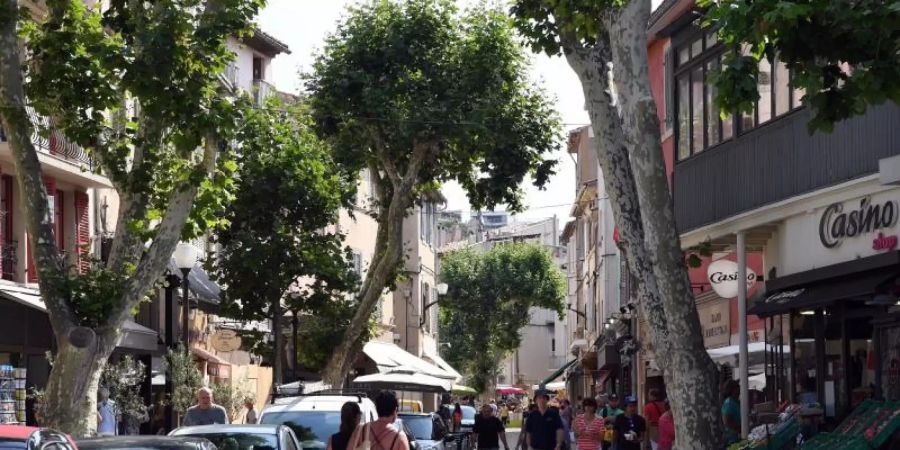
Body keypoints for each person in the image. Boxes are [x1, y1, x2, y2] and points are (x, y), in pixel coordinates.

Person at [721, 380, 741, 446]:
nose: (739, 390)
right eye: (737, 387)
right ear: (732, 390)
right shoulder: (729, 403)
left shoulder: (734, 402)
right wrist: (739, 429)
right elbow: (726, 421)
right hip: (731, 440)